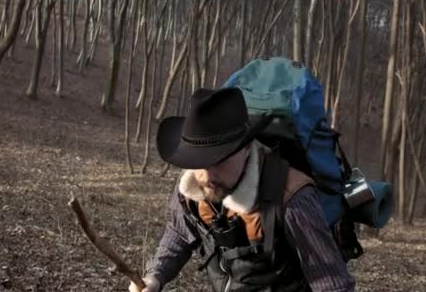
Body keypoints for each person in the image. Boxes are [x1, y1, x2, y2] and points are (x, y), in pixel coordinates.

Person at [129, 87, 356, 292]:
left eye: (219, 159)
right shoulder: (193, 188)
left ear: (247, 148)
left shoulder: (292, 197)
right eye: (198, 160)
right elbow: (179, 233)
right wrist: (155, 276)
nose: (207, 174)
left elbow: (332, 284)